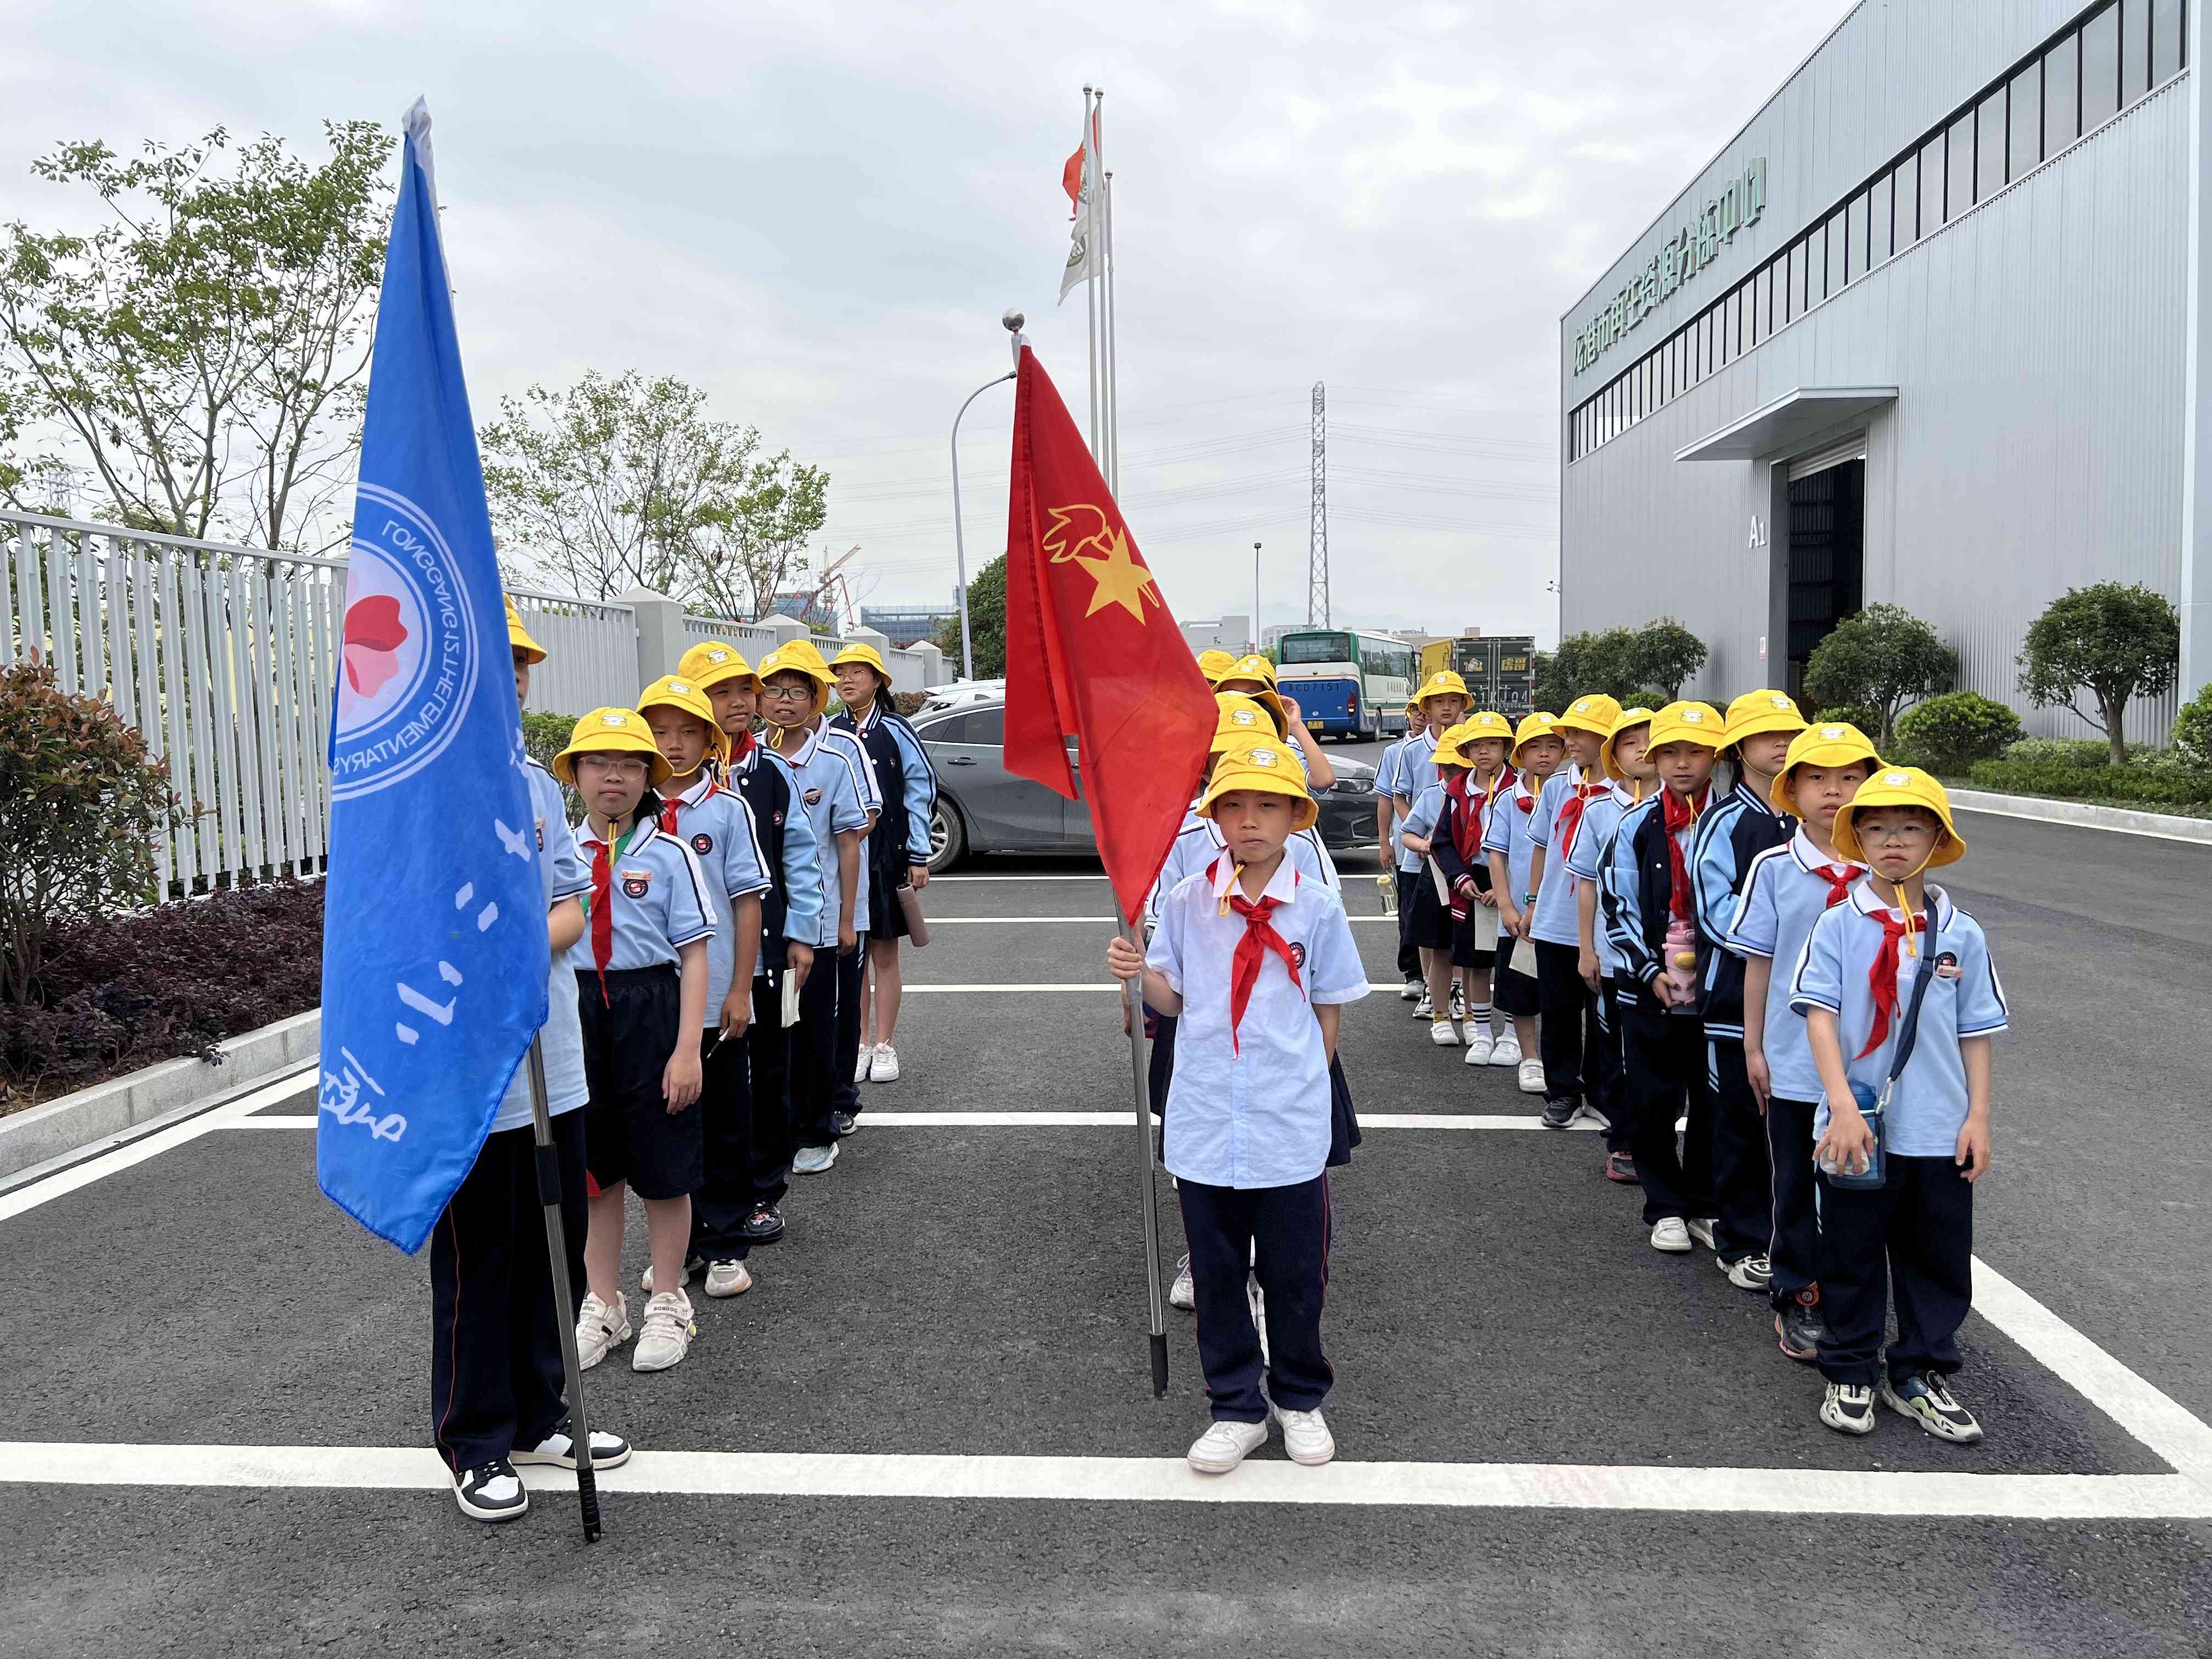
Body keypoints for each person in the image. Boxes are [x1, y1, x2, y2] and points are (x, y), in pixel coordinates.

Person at [1106, 741, 1369, 1475]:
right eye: (1234, 805)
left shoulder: (1315, 907)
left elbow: (1328, 1014)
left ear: (1294, 816)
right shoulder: (1190, 899)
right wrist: (1137, 970)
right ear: (1215, 816)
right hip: (1206, 1111)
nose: (1249, 821)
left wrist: (1303, 1091)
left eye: (1267, 805)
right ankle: (1234, 1406)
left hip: (1287, 1120)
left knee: (1294, 1271)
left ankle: (1298, 1396)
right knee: (1217, 1271)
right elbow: (1176, 998)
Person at [431, 602, 632, 1523]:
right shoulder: (427, 789)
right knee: (485, 1256)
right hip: (472, 1065)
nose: (513, 676)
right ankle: (475, 1434)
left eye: (522, 663)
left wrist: (524, 952)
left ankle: (540, 1410)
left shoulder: (535, 784)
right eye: (495, 660)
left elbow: (567, 899)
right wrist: (496, 959)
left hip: (550, 1050)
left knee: (553, 1235)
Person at [1789, 768, 2006, 1443]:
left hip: (1940, 1130)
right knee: (1850, 1251)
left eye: (1911, 828)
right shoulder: (1838, 924)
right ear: (1857, 839)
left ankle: (1917, 1374)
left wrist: (1977, 1118)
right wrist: (1840, 1107)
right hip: (1859, 1126)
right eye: (1877, 828)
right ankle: (1851, 1370)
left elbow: (1975, 1031)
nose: (1893, 842)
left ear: (1936, 840)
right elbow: (1819, 1016)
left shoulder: (1960, 933)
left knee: (1938, 1255)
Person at [556, 707, 718, 1375]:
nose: (612, 778)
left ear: (649, 775)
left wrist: (686, 1050)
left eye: (627, 765)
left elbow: (696, 955)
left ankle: (669, 1299)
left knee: (663, 1164)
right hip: (579, 1011)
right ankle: (603, 1303)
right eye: (597, 764)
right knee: (595, 1173)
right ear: (577, 776)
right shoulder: (559, 850)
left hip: (650, 1005)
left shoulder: (672, 852)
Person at [1724, 721, 1877, 1361]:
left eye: (1850, 778)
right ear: (1792, 790)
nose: (1834, 791)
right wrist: (1753, 1047)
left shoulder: (1889, 866)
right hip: (1791, 1057)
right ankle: (1797, 1292)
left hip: (1870, 1066)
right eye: (1817, 778)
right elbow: (1757, 963)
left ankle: (1858, 1295)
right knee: (1794, 1180)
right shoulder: (1775, 868)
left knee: (1860, 1187)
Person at [678, 640, 820, 1252]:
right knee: (714, 1080)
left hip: (764, 950)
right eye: (720, 693)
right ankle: (702, 1197)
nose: (738, 703)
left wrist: (802, 933)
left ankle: (763, 1187)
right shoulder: (671, 779)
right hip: (694, 965)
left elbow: (802, 856)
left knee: (769, 1068)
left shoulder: (771, 771)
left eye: (744, 691)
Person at [635, 675, 772, 1300]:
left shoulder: (727, 810)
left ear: (709, 739)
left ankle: (723, 1243)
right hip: (648, 1004)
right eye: (660, 733)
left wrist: (740, 988)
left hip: (715, 996)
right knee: (664, 1130)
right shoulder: (624, 819)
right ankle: (677, 1247)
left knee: (721, 1121)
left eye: (688, 731)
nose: (673, 744)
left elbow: (747, 905)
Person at [1692, 690, 1808, 1288]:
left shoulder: (1817, 821)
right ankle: (1739, 1240)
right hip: (1737, 999)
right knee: (1739, 1119)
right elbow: (1713, 913)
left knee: (1795, 1125)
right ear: (1739, 748)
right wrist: (1779, 947)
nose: (1781, 744)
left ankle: (1792, 1239)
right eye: (1767, 735)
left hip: (1807, 1006)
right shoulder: (1723, 820)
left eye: (1789, 732)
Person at [1600, 699, 1723, 1252]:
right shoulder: (1634, 825)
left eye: (1693, 751)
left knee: (1715, 1098)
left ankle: (1703, 1201)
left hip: (1720, 989)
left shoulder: (1736, 824)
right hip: (1649, 987)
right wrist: (1649, 971)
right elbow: (1615, 901)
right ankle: (1664, 1204)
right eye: (1668, 752)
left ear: (1716, 757)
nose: (1680, 764)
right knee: (1652, 1097)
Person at [757, 641, 877, 1175]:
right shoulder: (746, 762)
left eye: (797, 691)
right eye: (775, 691)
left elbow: (850, 842)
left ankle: (818, 1128)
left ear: (814, 700)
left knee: (815, 1031)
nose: (785, 701)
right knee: (774, 1033)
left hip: (822, 926)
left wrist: (848, 917)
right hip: (763, 932)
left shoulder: (833, 761)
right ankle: (779, 1130)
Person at [830, 643, 939, 1086]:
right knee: (850, 956)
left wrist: (917, 854)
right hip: (841, 865)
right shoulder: (829, 730)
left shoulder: (895, 729)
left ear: (878, 681)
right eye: (842, 674)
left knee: (885, 953)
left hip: (887, 858)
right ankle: (857, 1043)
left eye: (858, 672)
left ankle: (885, 1044)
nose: (848, 680)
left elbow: (919, 788)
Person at [1523, 694, 1622, 1128]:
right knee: (1559, 1013)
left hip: (1602, 926)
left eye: (1579, 734)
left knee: (1604, 1016)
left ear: (1607, 740)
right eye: (1570, 734)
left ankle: (1600, 1091)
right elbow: (1541, 846)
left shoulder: (1627, 792)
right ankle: (1562, 1090)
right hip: (1554, 920)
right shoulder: (1558, 785)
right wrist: (1531, 903)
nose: (1570, 742)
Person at [1567, 707, 1656, 1182]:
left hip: (1675, 961)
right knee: (1618, 1051)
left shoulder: (1693, 807)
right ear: (1615, 755)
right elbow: (1585, 883)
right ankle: (1623, 1140)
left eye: (1651, 739)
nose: (1642, 748)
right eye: (1629, 742)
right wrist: (1587, 948)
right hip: (1616, 955)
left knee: (1665, 1059)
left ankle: (1659, 1141)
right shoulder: (1599, 809)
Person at [1420, 710, 1515, 1066]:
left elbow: (1528, 846)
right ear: (1466, 752)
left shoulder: (1521, 790)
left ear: (1507, 747)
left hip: (1510, 882)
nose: (1485, 752)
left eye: (1493, 744)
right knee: (1475, 962)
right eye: (1477, 746)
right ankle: (1481, 1030)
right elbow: (1442, 842)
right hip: (1471, 882)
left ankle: (1510, 1032)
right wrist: (1462, 879)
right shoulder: (1458, 791)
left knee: (1510, 963)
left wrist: (1506, 890)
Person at [1483, 711, 1565, 1091]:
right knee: (1521, 989)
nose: (1544, 755)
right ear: (1520, 754)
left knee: (1562, 993)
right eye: (1535, 747)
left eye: (1553, 746)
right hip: (1518, 916)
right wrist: (1507, 907)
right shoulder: (1507, 800)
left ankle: (1561, 1059)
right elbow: (1496, 855)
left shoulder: (1573, 795)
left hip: (1562, 917)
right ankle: (1529, 1056)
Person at [1389, 673, 1471, 1019]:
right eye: (1440, 701)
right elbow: (1400, 798)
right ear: (1427, 707)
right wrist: (1426, 840)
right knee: (1425, 929)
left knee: (1459, 928)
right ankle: (1428, 988)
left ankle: (1454, 992)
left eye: (1454, 700)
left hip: (1459, 858)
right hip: (1419, 856)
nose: (1447, 707)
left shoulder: (1474, 741)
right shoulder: (1410, 750)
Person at [1374, 699, 1429, 1002]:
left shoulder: (1456, 747)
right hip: (1408, 844)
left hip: (1442, 847)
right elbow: (1387, 799)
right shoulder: (1395, 752)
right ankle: (1413, 973)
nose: (1420, 717)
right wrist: (1384, 841)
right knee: (1408, 909)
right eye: (1416, 712)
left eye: (1425, 711)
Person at [1212, 653, 1336, 787]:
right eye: (1231, 693)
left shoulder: (1280, 747)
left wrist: (1296, 726)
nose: (1241, 700)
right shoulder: (1209, 740)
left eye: (1252, 695)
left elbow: (1323, 780)